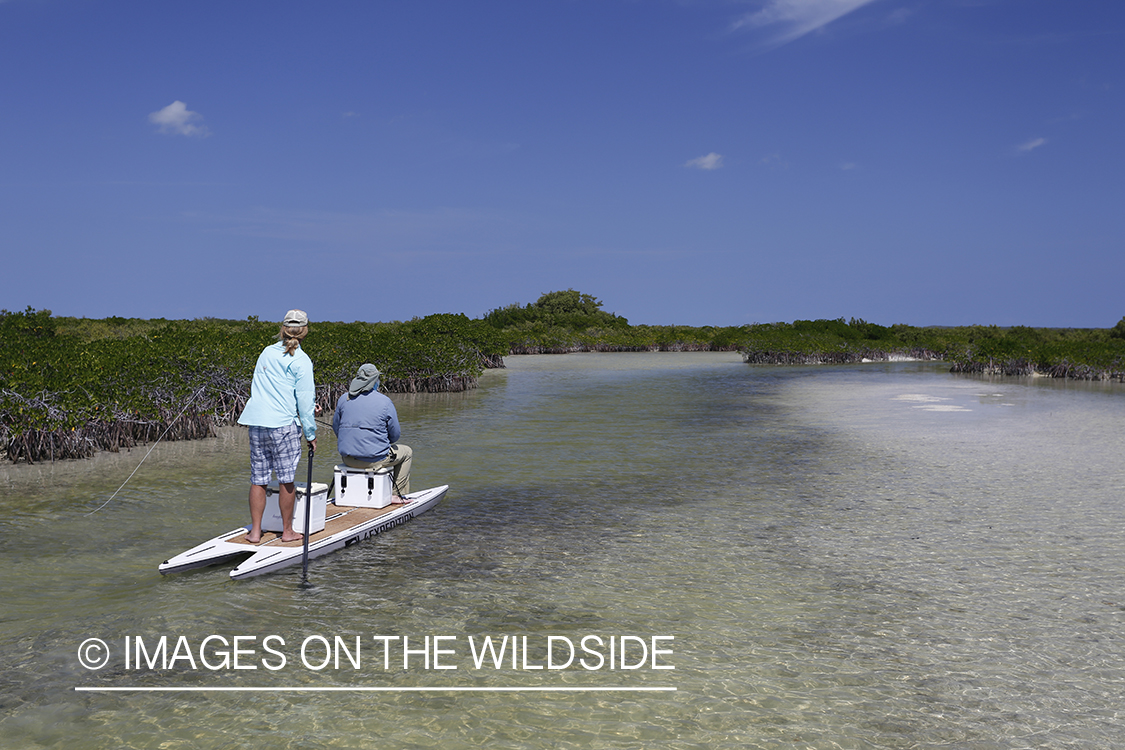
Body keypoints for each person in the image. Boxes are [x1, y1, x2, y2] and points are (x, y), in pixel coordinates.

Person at [237, 309, 318, 543]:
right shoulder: (302, 360)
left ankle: (255, 532)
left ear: (282, 329)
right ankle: (287, 531)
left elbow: (262, 386)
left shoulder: (266, 352)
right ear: (304, 331)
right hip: (283, 424)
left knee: (258, 479)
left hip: (257, 422)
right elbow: (304, 402)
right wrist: (311, 434)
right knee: (286, 479)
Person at [332, 363, 413, 502]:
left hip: (348, 459)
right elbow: (395, 436)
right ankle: (396, 494)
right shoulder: (385, 402)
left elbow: (336, 428)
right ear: (375, 380)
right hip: (375, 460)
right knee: (407, 452)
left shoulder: (343, 399)